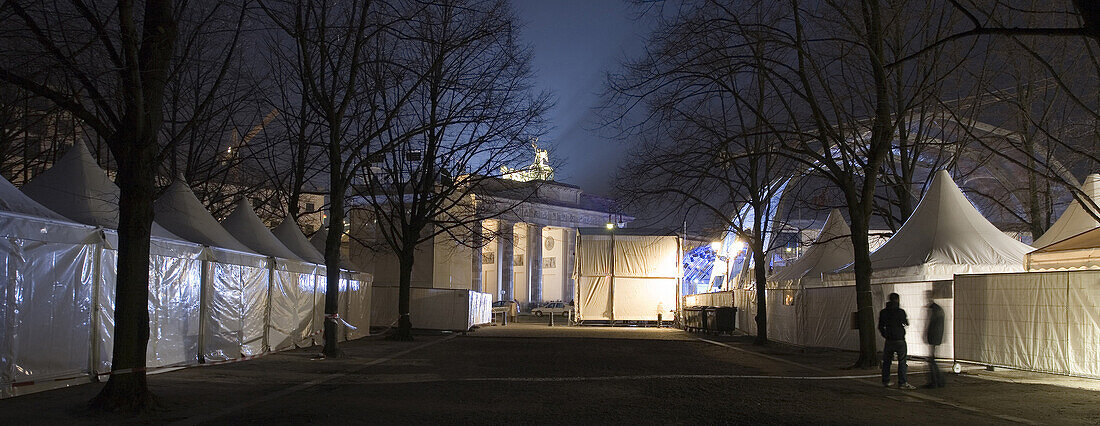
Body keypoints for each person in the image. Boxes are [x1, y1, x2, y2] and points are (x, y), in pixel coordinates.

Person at [879, 292, 915, 390]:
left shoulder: (883, 312)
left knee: (887, 362)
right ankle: (902, 382)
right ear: (898, 300)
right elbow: (906, 323)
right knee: (902, 361)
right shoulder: (900, 312)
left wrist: (885, 335)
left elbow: (880, 326)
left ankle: (886, 380)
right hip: (899, 339)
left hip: (889, 340)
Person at [924, 290, 946, 388]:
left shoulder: (933, 309)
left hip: (933, 336)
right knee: (932, 359)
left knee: (932, 360)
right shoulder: (939, 309)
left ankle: (935, 381)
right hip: (937, 337)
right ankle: (938, 380)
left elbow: (930, 324)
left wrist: (927, 335)